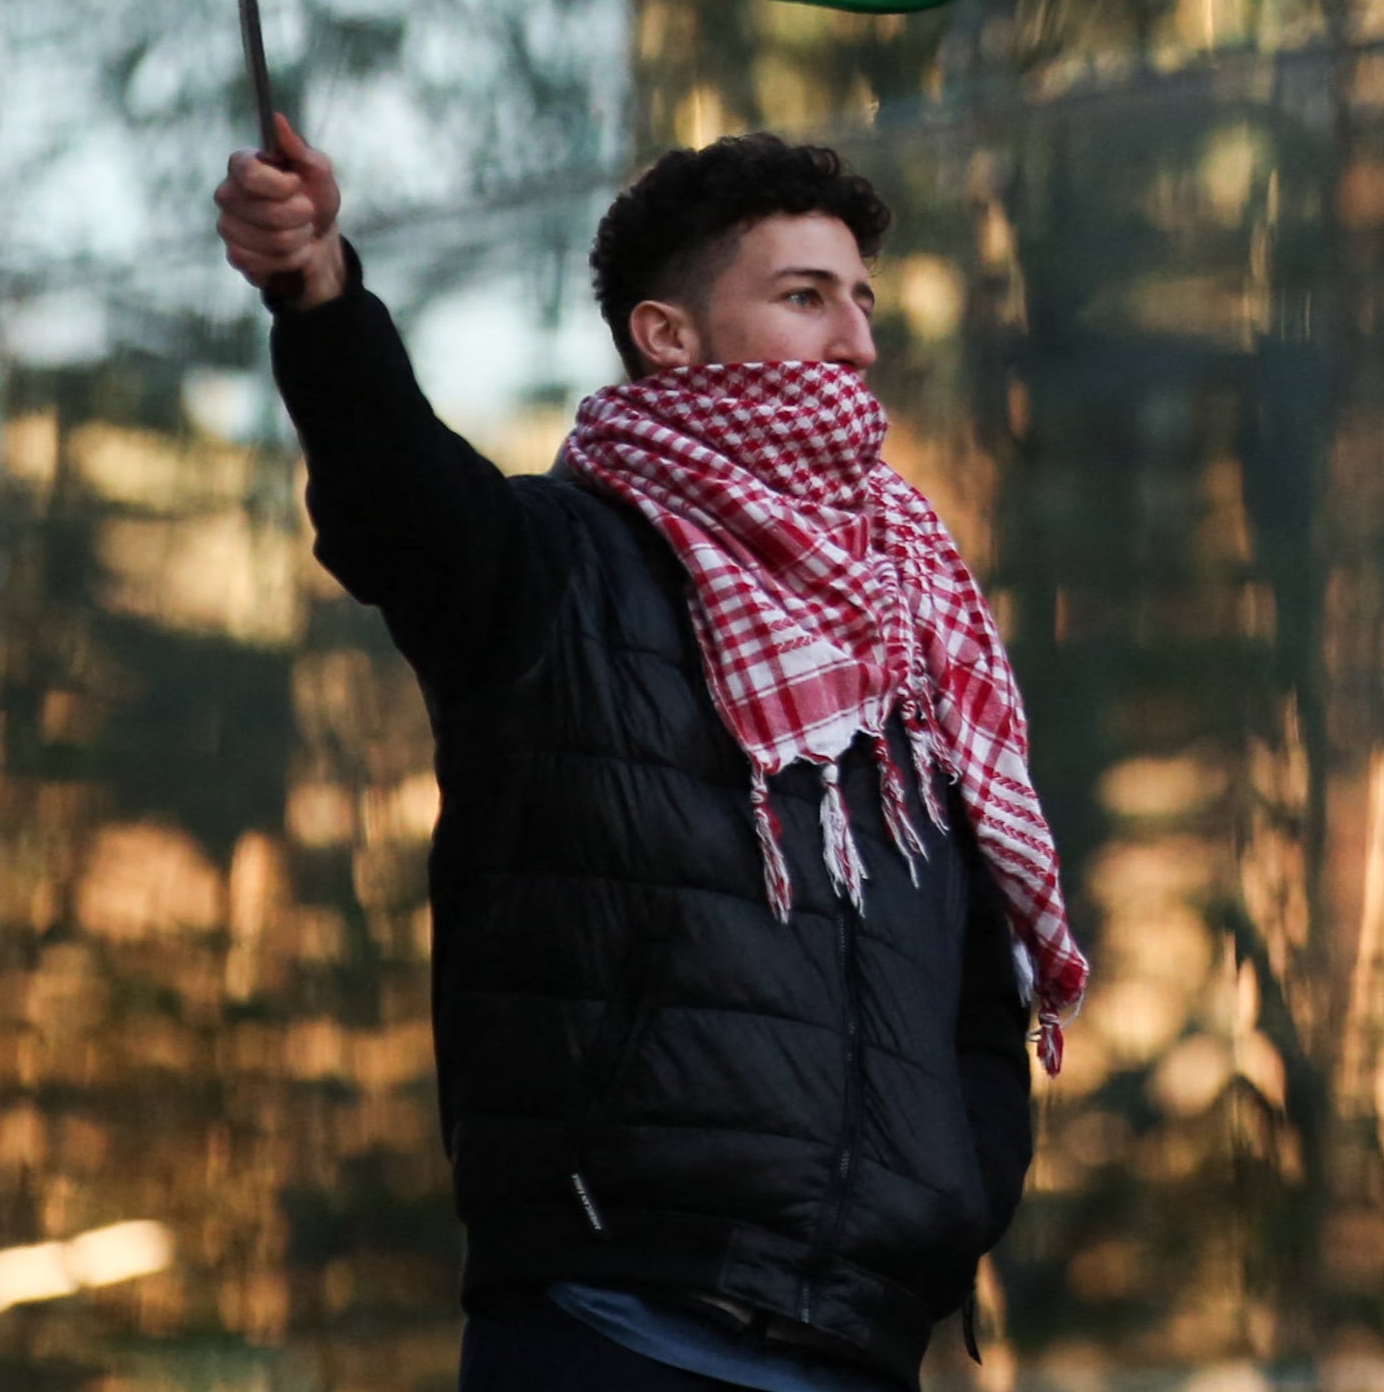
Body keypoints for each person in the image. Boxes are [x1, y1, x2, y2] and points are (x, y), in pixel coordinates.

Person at [214, 119, 1088, 1391]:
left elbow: (970, 980)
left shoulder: (918, 632)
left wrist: (960, 1196)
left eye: (863, 304)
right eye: (804, 298)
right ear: (666, 336)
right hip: (613, 1322)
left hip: (864, 1339)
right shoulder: (558, 569)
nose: (855, 343)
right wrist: (318, 290)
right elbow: (397, 498)